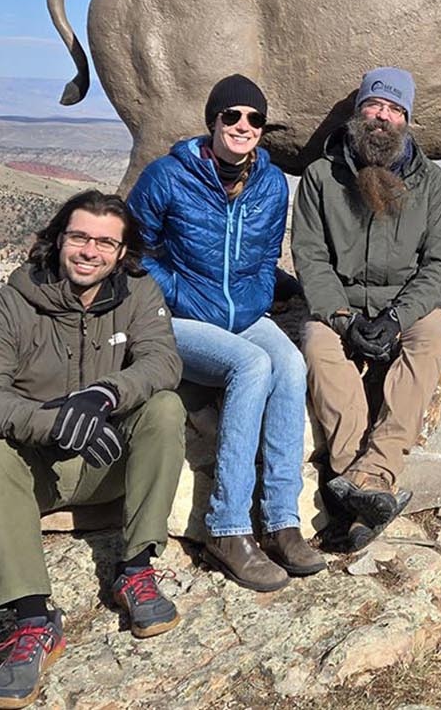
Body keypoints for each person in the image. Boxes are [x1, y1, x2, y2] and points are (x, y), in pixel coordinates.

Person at [0, 190, 185, 709]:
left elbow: (162, 362)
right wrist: (52, 422)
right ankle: (33, 620)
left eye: (106, 242)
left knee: (165, 407)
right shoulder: (13, 304)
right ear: (59, 240)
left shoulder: (138, 293)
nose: (91, 251)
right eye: (80, 237)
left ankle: (136, 570)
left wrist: (106, 393)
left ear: (122, 252)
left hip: (109, 462)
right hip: (39, 475)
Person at [127, 73, 325, 592]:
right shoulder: (167, 176)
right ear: (212, 121)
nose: (243, 125)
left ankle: (281, 520)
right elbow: (135, 254)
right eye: (231, 116)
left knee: (289, 363)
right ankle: (228, 528)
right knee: (251, 364)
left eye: (254, 119)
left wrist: (257, 298)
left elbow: (264, 261)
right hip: (178, 319)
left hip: (243, 314)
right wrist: (186, 296)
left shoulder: (271, 183)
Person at [293, 67, 441, 550]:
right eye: (375, 106)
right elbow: (311, 257)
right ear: (358, 113)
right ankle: (361, 482)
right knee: (319, 345)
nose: (382, 117)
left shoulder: (431, 185)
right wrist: (343, 319)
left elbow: (440, 264)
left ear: (406, 120)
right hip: (341, 306)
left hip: (402, 308)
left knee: (432, 331)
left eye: (394, 109)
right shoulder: (321, 178)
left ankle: (375, 471)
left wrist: (395, 318)